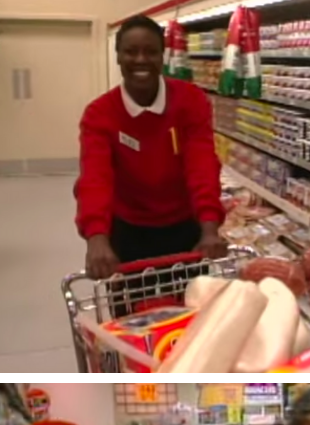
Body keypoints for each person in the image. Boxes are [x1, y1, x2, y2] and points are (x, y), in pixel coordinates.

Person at [74, 15, 228, 280]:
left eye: (151, 51)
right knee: (130, 314)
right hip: (127, 228)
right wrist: (97, 238)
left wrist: (210, 226)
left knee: (190, 309)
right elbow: (95, 178)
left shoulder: (191, 101)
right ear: (118, 56)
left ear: (162, 56)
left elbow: (201, 163)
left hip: (185, 225)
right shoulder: (99, 114)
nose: (141, 60)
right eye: (131, 52)